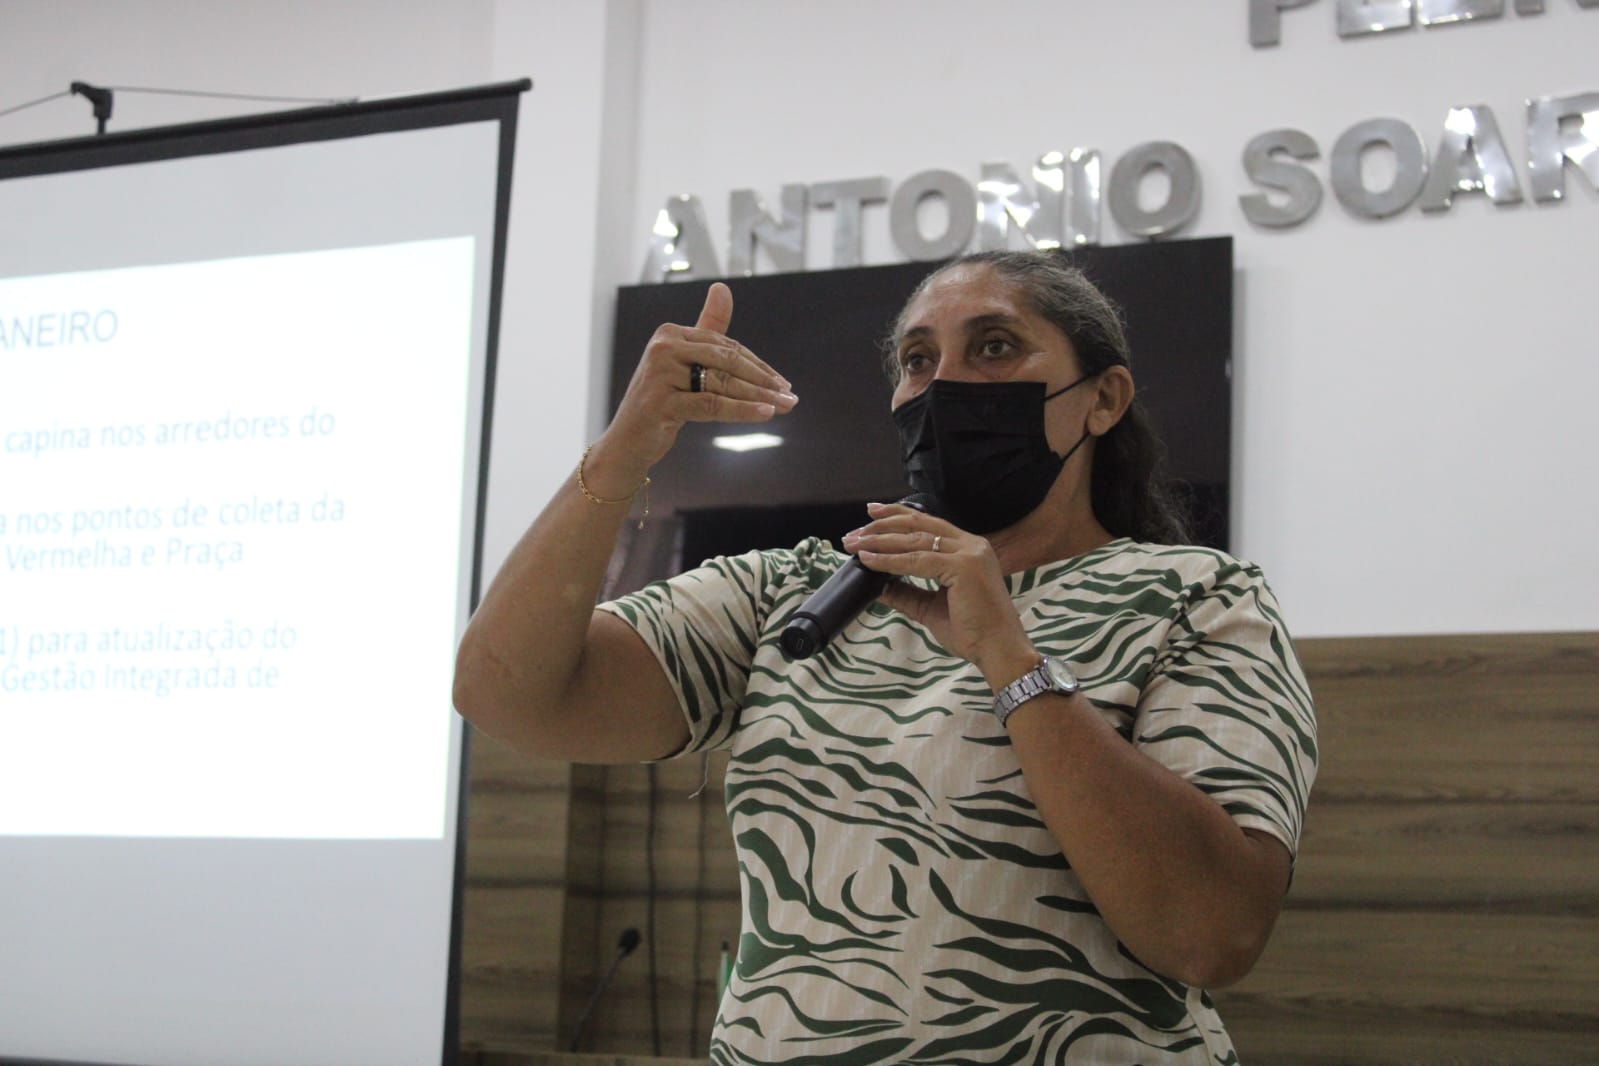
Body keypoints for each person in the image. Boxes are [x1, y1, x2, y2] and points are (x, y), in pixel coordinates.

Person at [453, 250, 1318, 1064]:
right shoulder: (788, 594)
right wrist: (624, 448)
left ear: (1102, 398)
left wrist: (1008, 660)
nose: (943, 383)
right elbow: (506, 693)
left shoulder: (1198, 597)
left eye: (993, 346)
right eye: (915, 359)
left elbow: (1212, 931)